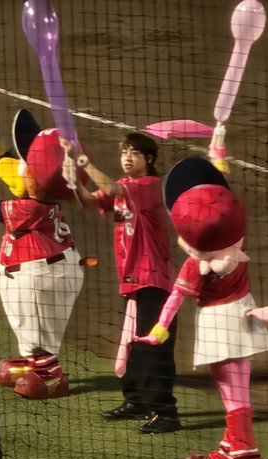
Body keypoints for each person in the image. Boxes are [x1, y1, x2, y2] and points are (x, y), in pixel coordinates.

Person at [135, 157, 268, 459]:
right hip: (243, 317)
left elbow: (175, 298)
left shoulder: (195, 265)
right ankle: (230, 448)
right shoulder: (238, 240)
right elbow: (220, 206)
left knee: (234, 398)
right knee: (235, 393)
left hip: (220, 327)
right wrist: (217, 162)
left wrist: (159, 330)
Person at [66, 132, 180, 434]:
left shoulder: (149, 186)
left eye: (134, 153)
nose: (127, 158)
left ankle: (166, 413)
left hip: (154, 279)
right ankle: (137, 401)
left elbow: (112, 189)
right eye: (124, 152)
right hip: (133, 279)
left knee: (153, 348)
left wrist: (82, 161)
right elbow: (89, 201)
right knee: (132, 344)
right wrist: (73, 180)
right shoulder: (125, 185)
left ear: (149, 159)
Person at [0, 124, 85, 400]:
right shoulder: (43, 196)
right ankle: (35, 361)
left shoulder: (32, 207)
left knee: (37, 325)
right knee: (30, 324)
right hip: (48, 267)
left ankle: (50, 374)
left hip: (43, 274)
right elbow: (13, 168)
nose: (22, 171)